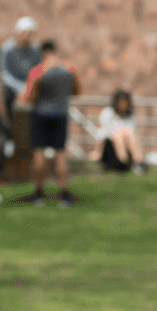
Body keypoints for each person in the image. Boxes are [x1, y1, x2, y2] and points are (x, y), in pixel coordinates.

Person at [13, 40, 83, 208]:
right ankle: (64, 194)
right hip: (60, 115)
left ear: (43, 53)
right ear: (54, 51)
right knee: (60, 153)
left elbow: (29, 97)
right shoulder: (70, 68)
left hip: (41, 115)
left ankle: (38, 194)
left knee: (39, 153)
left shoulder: (37, 71)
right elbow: (77, 92)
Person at [0, 16, 41, 169]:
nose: (28, 36)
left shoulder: (35, 50)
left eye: (30, 33)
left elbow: (37, 71)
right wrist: (19, 88)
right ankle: (9, 137)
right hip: (12, 87)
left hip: (29, 86)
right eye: (25, 33)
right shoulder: (7, 48)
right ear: (19, 32)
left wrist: (29, 87)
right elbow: (4, 73)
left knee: (43, 102)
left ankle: (43, 141)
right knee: (5, 101)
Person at [90, 89, 144, 174]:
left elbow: (132, 132)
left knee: (130, 134)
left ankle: (139, 162)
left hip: (126, 143)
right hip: (110, 147)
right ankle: (124, 161)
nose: (123, 105)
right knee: (120, 134)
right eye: (121, 102)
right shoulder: (107, 113)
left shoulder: (131, 116)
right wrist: (97, 152)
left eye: (125, 102)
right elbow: (102, 134)